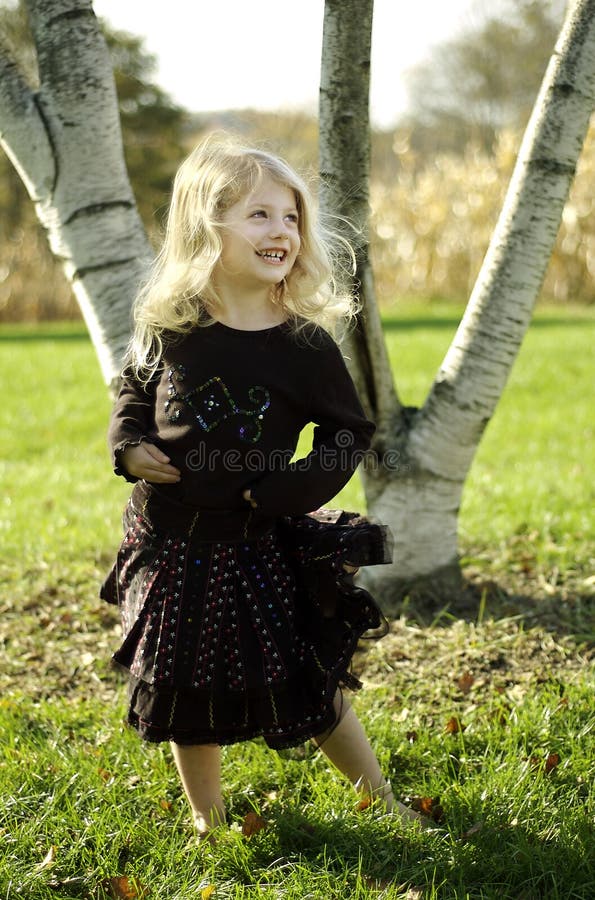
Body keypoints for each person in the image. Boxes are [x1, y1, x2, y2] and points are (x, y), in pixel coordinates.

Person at [101, 133, 423, 840]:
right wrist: (129, 446)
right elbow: (133, 388)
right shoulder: (170, 326)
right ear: (204, 226)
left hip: (256, 541)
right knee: (183, 680)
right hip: (172, 541)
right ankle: (207, 817)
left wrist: (283, 494)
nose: (280, 230)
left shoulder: (303, 346)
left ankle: (377, 796)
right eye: (258, 215)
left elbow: (347, 432)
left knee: (309, 675)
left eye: (290, 217)